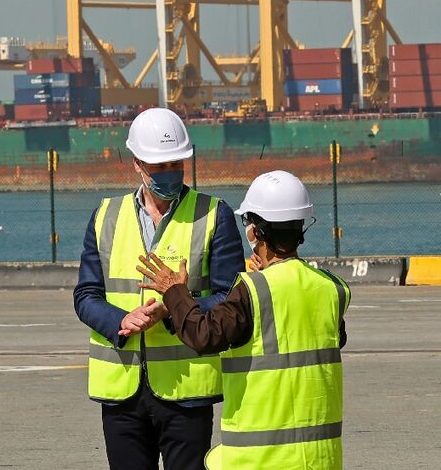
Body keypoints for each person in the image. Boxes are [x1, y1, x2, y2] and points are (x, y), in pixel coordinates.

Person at [136, 170, 350, 470]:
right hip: (320, 459)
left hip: (262, 459)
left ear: (255, 232)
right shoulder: (332, 287)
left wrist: (174, 292)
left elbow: (203, 335)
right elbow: (325, 337)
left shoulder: (252, 290)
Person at [74, 108, 245, 470]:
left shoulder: (215, 214)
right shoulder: (105, 216)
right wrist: (123, 320)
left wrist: (175, 307)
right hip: (121, 390)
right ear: (137, 163)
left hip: (187, 392)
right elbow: (86, 296)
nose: (169, 172)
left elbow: (231, 296)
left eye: (175, 163)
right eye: (159, 166)